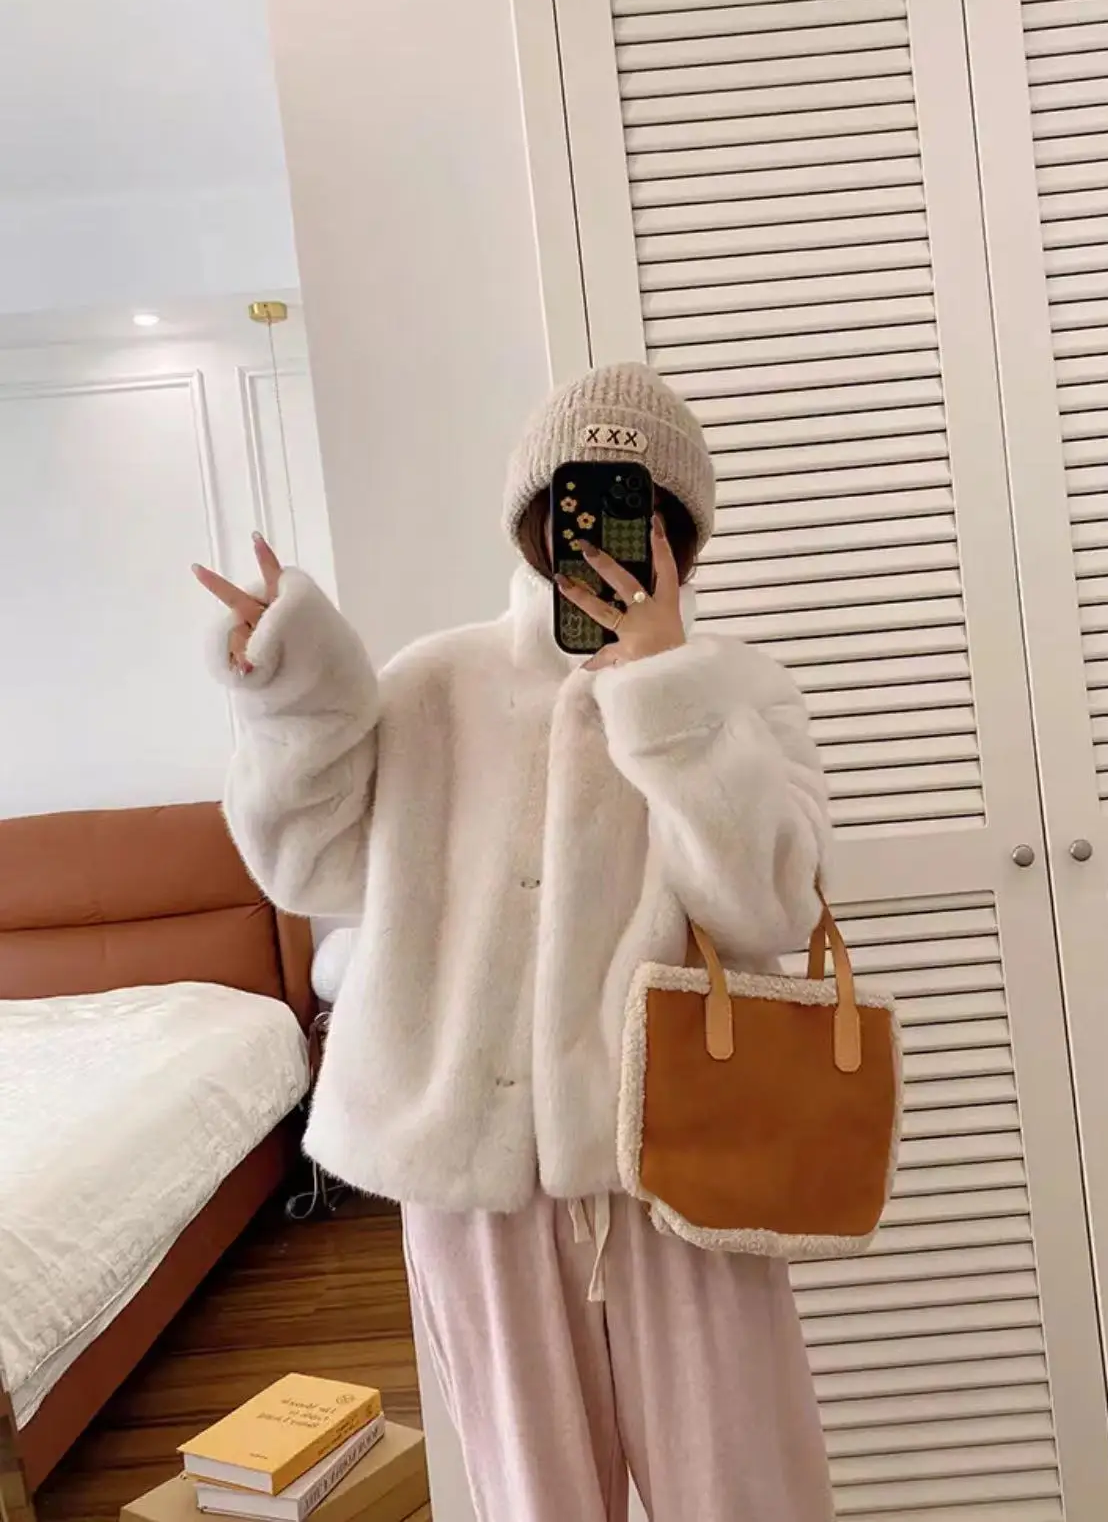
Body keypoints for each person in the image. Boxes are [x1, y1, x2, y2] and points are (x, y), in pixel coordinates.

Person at [195, 363, 834, 1522]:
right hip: (478, 1179)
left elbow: (770, 907)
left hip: (680, 1162)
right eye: (577, 503)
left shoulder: (735, 691)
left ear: (682, 534)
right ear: (534, 515)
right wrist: (293, 697)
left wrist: (663, 689)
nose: (604, 536)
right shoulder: (433, 683)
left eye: (642, 509)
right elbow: (307, 869)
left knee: (749, 1491)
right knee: (533, 1500)